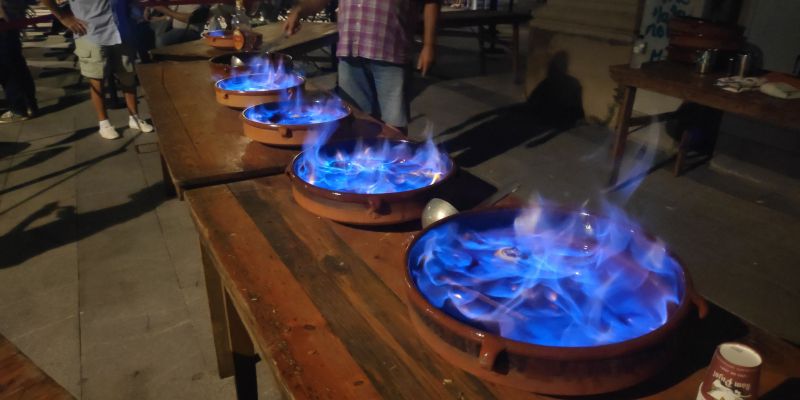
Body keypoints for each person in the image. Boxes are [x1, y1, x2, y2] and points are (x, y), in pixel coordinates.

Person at [284, 0, 440, 132]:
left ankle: (392, 163)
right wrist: (300, 11)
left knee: (394, 124)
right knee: (354, 119)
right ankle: (362, 162)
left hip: (392, 52)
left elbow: (431, 3)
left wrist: (429, 45)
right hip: (350, 52)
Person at [41, 0, 153, 139]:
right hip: (92, 34)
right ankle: (104, 123)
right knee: (97, 79)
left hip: (122, 31)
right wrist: (64, 17)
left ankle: (135, 117)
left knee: (128, 75)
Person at [0, 0, 38, 123]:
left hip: (4, 21)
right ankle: (29, 105)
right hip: (10, 20)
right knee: (17, 65)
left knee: (8, 69)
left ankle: (19, 109)